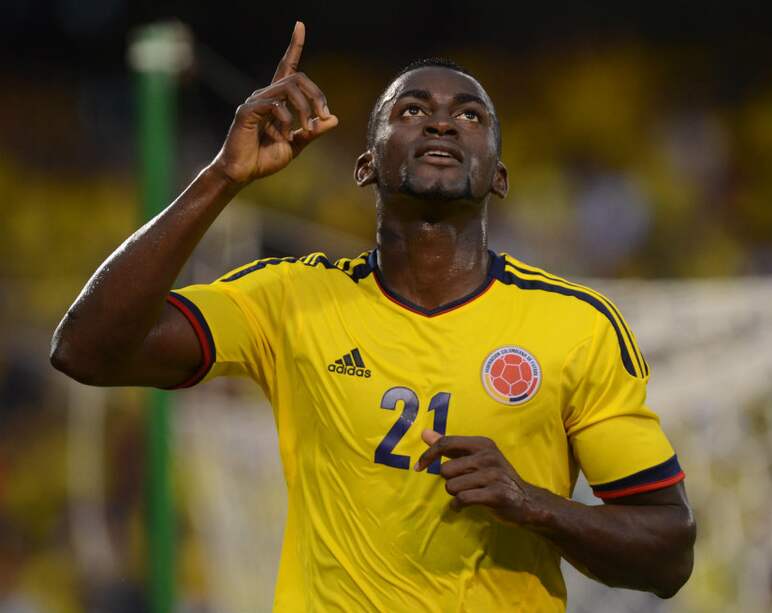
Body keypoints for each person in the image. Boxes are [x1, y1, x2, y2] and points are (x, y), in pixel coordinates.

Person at [51, 21, 695, 612]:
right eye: (412, 110)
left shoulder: (575, 325)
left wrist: (534, 505)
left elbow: (669, 552)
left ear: (499, 175)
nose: (442, 124)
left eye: (470, 115)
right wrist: (224, 176)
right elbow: (86, 350)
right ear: (367, 166)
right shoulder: (289, 298)